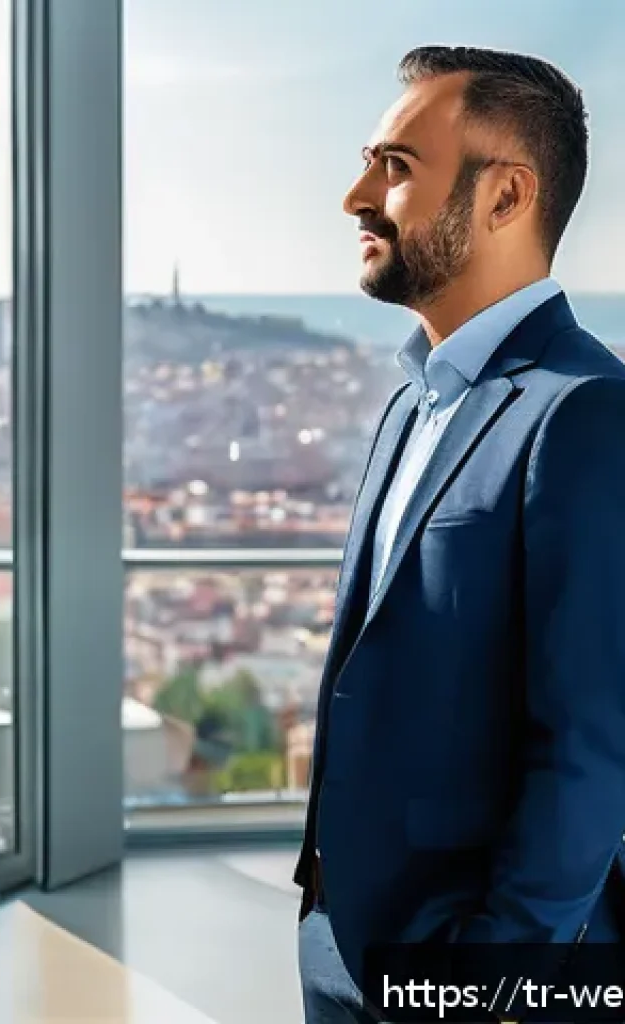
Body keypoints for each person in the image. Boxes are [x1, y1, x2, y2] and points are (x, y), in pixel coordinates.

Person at [294, 46, 625, 1021]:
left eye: (394, 167)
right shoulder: (410, 406)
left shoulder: (587, 412)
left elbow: (591, 746)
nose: (356, 195)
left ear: (505, 196)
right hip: (343, 942)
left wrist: (490, 984)